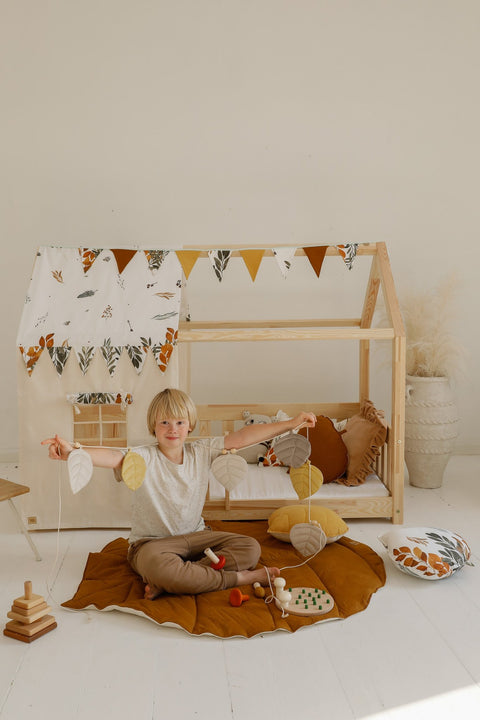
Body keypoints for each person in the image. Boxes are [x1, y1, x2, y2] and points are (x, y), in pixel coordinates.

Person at [42, 388, 316, 600]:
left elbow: (243, 437)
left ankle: (179, 580)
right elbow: (112, 456)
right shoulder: (142, 456)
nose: (172, 429)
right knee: (158, 566)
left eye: (179, 422)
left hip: (198, 539)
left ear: (189, 426)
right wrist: (71, 453)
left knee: (251, 547)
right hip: (152, 546)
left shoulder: (201, 451)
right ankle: (238, 578)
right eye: (164, 422)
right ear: (154, 427)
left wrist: (291, 423)